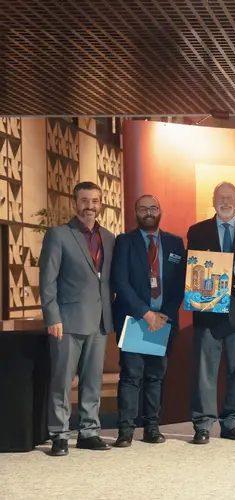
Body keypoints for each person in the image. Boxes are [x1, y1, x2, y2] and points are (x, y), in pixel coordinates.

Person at [187, 181, 235, 444]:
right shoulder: (197, 231)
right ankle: (203, 424)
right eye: (221, 197)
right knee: (203, 371)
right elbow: (191, 272)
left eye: (230, 197)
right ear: (213, 200)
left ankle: (232, 422)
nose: (225, 202)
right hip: (208, 312)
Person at [39, 181, 116, 457]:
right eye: (84, 201)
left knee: (93, 379)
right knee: (62, 380)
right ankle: (59, 434)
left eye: (95, 201)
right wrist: (52, 316)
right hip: (67, 321)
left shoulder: (109, 237)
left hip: (100, 321)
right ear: (75, 203)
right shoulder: (58, 235)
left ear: (101, 204)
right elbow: (47, 281)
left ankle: (88, 431)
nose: (90, 206)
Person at [111, 195, 186, 447]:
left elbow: (179, 285)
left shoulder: (175, 243)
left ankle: (152, 427)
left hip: (163, 320)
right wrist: (146, 314)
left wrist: (162, 314)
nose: (149, 213)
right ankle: (126, 430)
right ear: (135, 213)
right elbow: (120, 282)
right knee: (131, 376)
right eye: (143, 209)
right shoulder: (124, 241)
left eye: (153, 208)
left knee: (155, 376)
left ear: (160, 211)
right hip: (134, 319)